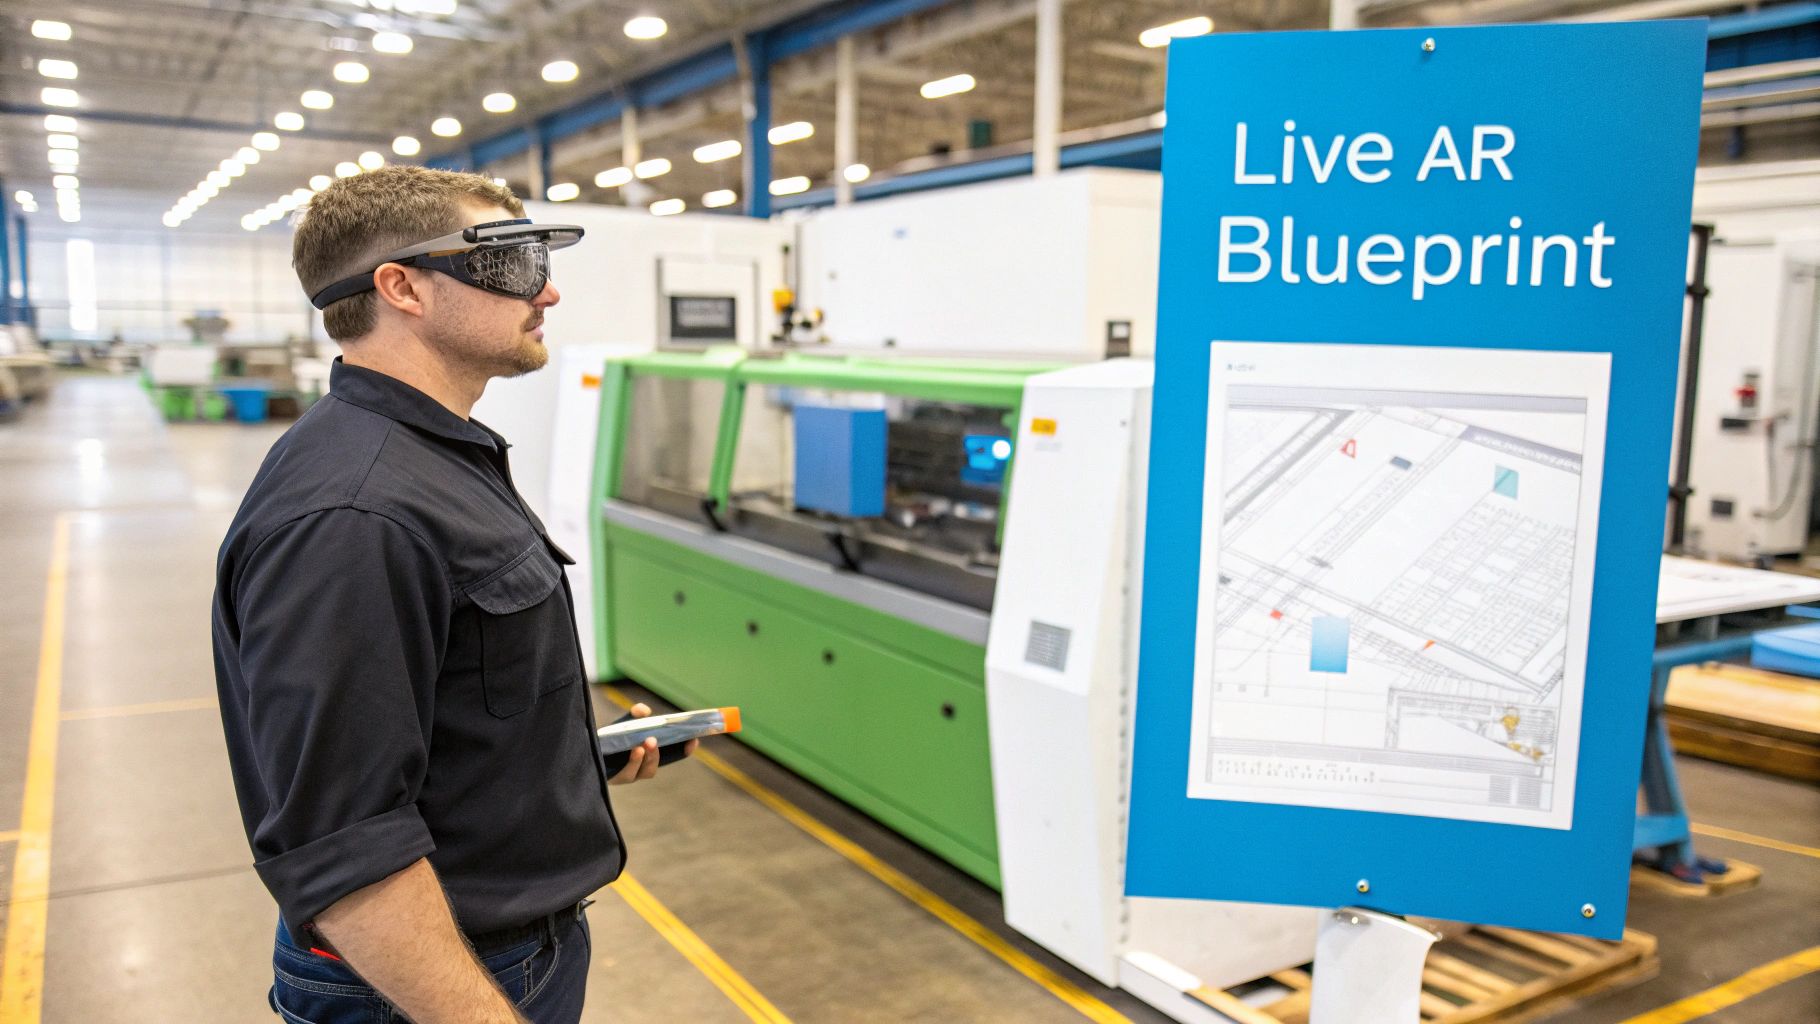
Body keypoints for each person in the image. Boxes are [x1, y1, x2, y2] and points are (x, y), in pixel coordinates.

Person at [212, 165, 688, 1024]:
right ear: (400, 287)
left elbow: (446, 704)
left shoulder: (435, 456)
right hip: (433, 983)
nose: (545, 290)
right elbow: (344, 848)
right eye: (508, 263)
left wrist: (573, 757)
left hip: (506, 947)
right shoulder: (355, 512)